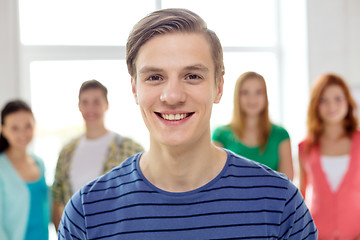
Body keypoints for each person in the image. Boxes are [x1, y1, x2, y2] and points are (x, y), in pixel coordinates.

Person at [58, 8, 317, 239]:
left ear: (219, 87)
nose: (172, 96)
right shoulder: (86, 215)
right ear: (134, 89)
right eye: (155, 77)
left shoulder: (281, 204)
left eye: (192, 76)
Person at [52, 79, 144, 230]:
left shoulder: (129, 148)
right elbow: (58, 200)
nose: (90, 108)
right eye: (85, 102)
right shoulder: (66, 153)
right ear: (79, 106)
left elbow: (141, 197)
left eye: (96, 101)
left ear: (106, 105)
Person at [298, 73, 360, 240]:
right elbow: (302, 196)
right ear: (316, 105)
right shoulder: (305, 147)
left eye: (338, 98)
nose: (331, 105)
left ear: (348, 102)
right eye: (323, 100)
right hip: (316, 234)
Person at [212, 71, 294, 180]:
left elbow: (287, 183)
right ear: (237, 97)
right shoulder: (220, 134)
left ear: (266, 96)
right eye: (245, 92)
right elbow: (216, 180)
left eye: (258, 92)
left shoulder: (280, 134)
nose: (252, 98)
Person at [0, 99, 50, 240]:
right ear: (3, 130)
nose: (23, 133)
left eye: (27, 126)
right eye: (15, 128)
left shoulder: (39, 163)